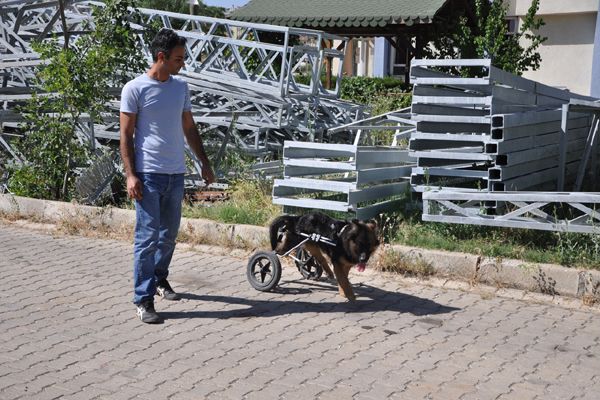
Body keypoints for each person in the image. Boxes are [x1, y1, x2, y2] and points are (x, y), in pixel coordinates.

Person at [120, 28, 215, 324]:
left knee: (168, 236)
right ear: (161, 57)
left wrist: (204, 162)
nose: (182, 63)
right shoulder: (134, 89)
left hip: (176, 173)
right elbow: (125, 134)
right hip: (148, 175)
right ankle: (143, 298)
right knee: (147, 239)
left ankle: (160, 280)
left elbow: (189, 127)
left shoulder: (180, 87)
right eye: (178, 58)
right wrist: (131, 175)